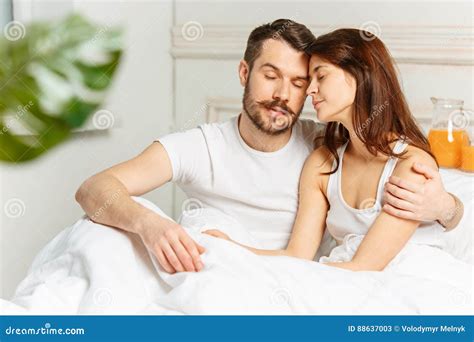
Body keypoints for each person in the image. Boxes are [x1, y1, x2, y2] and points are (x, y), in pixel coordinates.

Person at [75, 20, 463, 274]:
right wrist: (151, 225)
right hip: (252, 273)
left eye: (302, 81)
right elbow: (94, 189)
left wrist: (447, 207)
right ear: (245, 73)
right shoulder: (203, 147)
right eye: (270, 75)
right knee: (94, 239)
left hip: (323, 280)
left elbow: (420, 184)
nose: (287, 94)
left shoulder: (322, 140)